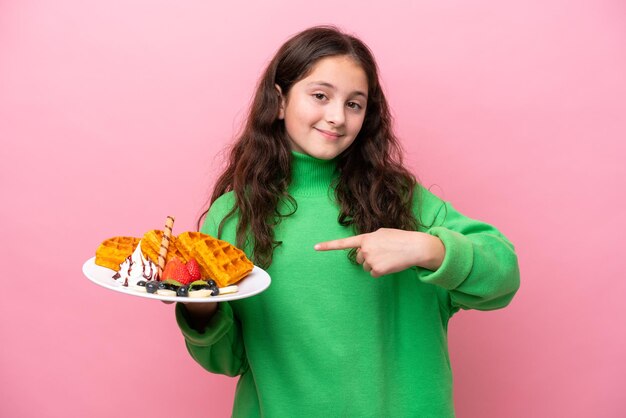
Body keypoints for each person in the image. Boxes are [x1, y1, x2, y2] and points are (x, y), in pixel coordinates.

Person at [175, 26, 520, 417]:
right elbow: (227, 360)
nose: (337, 117)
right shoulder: (233, 215)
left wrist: (428, 248)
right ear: (280, 101)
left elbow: (504, 276)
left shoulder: (400, 200)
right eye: (320, 96)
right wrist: (199, 306)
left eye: (355, 104)